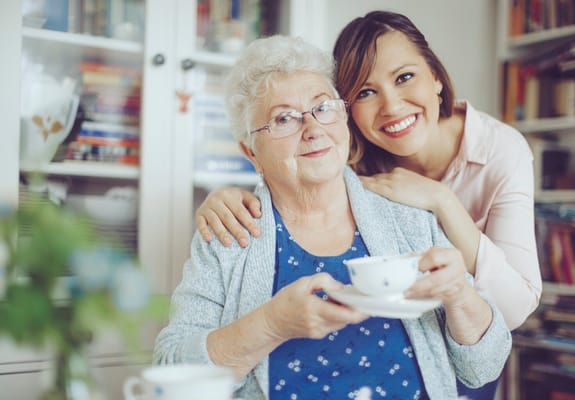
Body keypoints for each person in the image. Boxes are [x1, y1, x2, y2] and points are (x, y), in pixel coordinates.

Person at [154, 35, 511, 400]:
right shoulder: (230, 233)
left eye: (323, 107)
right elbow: (172, 384)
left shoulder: (411, 219)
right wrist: (271, 325)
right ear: (252, 152)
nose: (313, 129)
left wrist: (459, 295)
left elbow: (484, 366)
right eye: (284, 119)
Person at [194, 11, 542, 332]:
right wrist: (227, 197)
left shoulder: (500, 150)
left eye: (405, 77)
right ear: (347, 108)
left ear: (435, 76)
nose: (391, 105)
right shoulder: (345, 151)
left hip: (470, 335)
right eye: (365, 92)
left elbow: (512, 310)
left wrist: (443, 201)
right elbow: (284, 169)